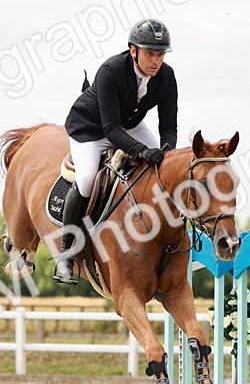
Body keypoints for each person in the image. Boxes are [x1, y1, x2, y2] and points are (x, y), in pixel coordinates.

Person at [54, 18, 178, 284]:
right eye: (150, 53)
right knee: (86, 179)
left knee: (163, 168)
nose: (156, 61)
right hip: (90, 130)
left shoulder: (166, 76)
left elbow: (168, 125)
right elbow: (110, 130)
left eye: (160, 54)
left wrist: (166, 152)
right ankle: (66, 255)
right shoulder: (111, 70)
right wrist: (143, 152)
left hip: (129, 125)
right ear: (133, 50)